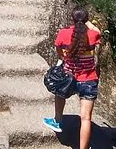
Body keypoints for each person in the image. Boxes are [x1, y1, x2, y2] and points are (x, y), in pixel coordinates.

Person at [43, 8, 101, 149]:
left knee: (59, 91)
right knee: (86, 118)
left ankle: (58, 119)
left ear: (72, 19)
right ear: (86, 20)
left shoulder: (63, 33)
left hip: (68, 77)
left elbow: (59, 52)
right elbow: (97, 31)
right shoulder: (93, 34)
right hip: (88, 79)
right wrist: (88, 22)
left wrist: (64, 57)